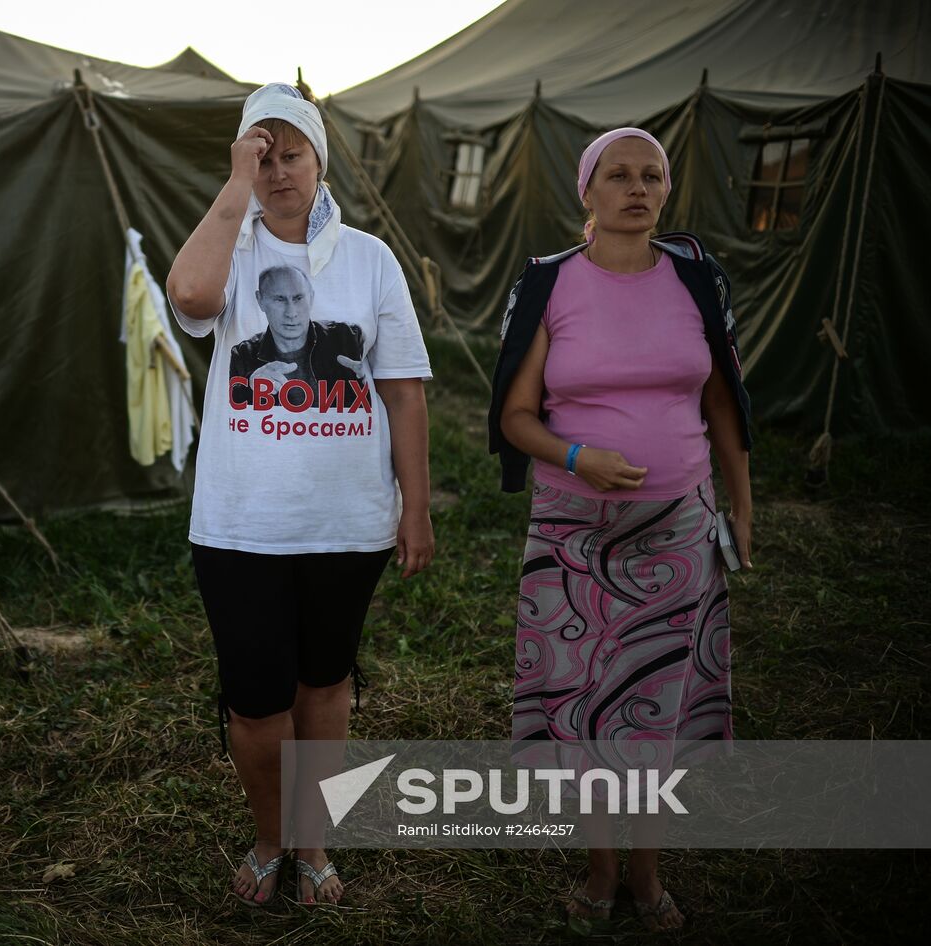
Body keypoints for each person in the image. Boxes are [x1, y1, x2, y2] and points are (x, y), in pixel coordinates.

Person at [166, 82, 434, 907]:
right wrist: (232, 190)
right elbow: (190, 298)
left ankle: (312, 841)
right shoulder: (233, 246)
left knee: (324, 685)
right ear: (244, 161)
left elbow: (403, 392)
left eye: (292, 153)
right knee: (255, 700)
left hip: (346, 523)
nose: (278, 169)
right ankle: (270, 835)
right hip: (241, 525)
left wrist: (414, 506)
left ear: (320, 160)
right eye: (262, 153)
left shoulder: (369, 260)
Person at [488, 128, 753, 933]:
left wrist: (742, 507)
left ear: (666, 191)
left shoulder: (697, 282)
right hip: (574, 536)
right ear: (587, 192)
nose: (637, 188)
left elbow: (722, 405)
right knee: (582, 707)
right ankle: (601, 871)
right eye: (619, 175)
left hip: (679, 528)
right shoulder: (549, 285)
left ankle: (647, 871)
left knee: (657, 711)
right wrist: (578, 455)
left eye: (653, 175)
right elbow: (515, 415)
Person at [228, 264, 364, 409]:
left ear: (311, 298)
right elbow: (232, 415)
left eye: (298, 298)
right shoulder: (243, 355)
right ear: (260, 300)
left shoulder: (348, 338)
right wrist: (250, 387)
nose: (291, 313)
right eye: (279, 299)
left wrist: (368, 379)